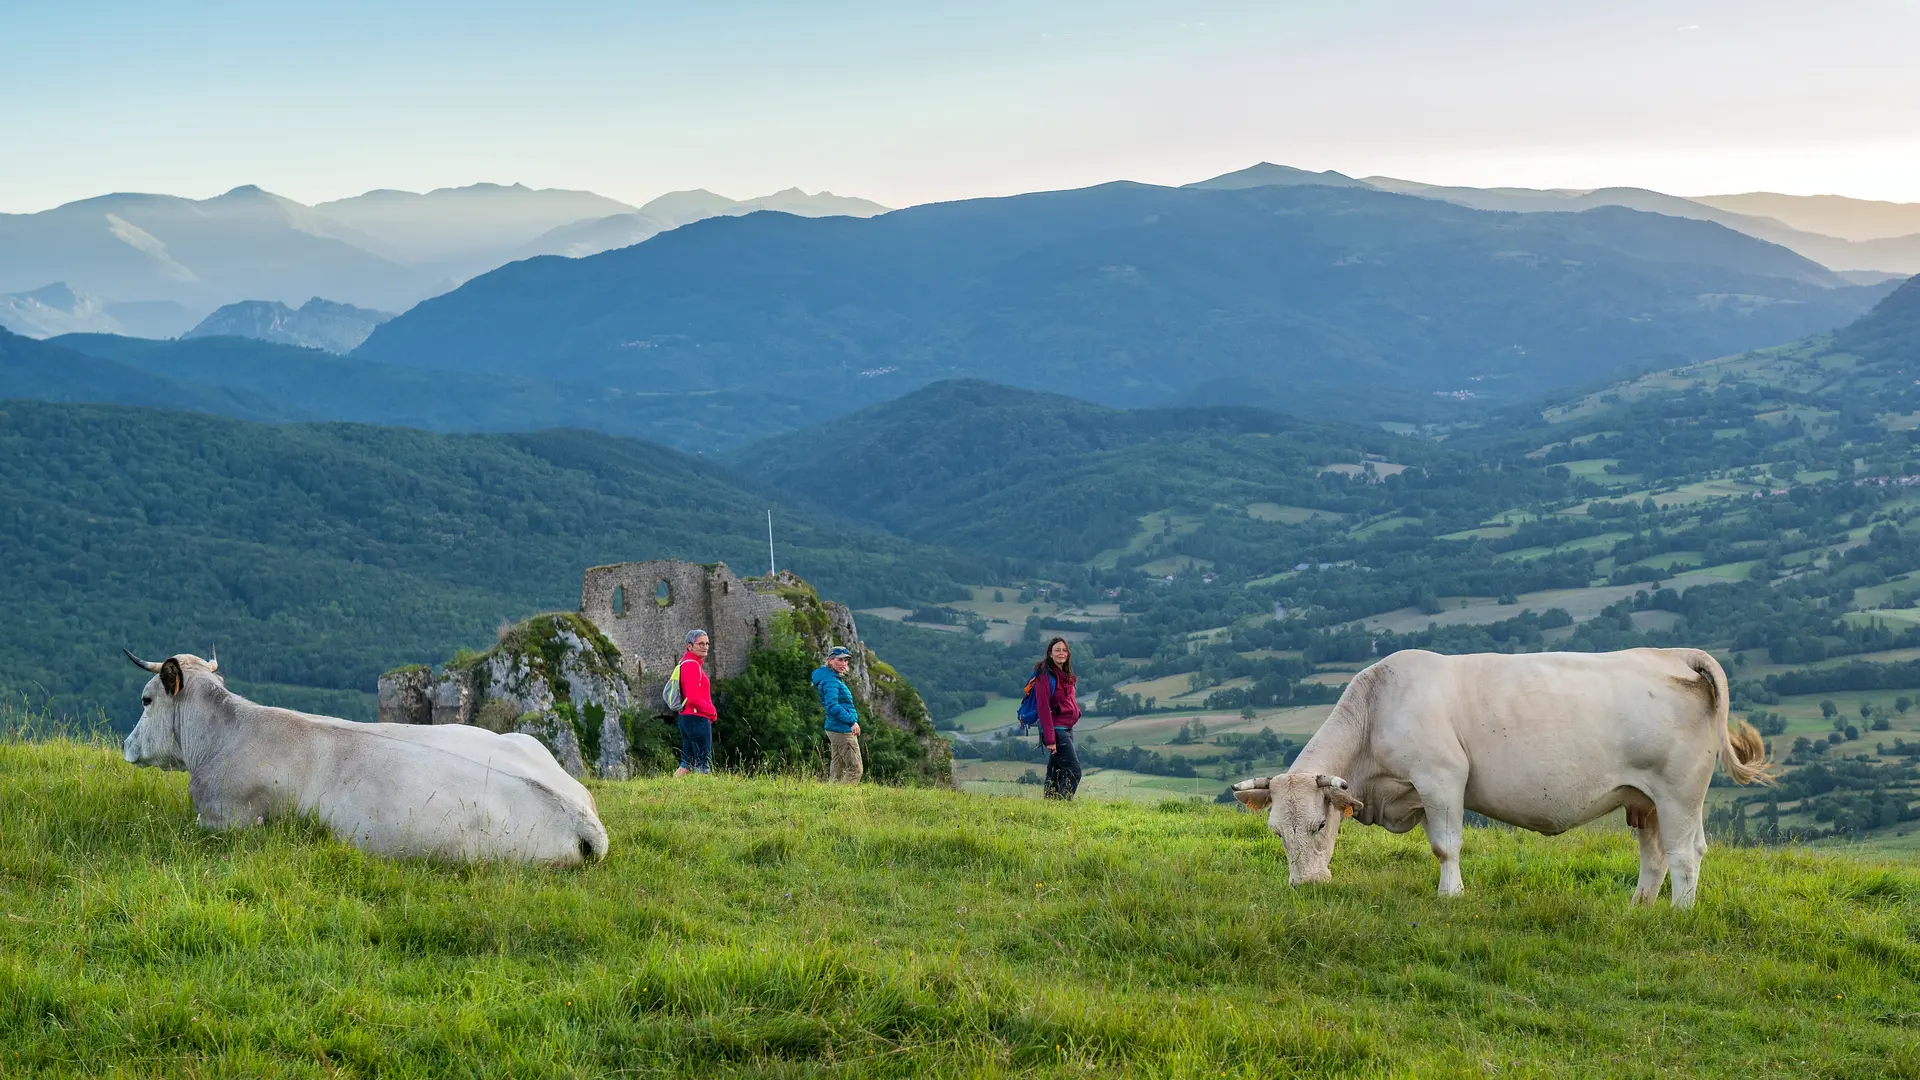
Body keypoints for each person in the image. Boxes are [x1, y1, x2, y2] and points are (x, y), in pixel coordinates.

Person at [1034, 636, 1082, 799]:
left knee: (1056, 772)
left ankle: (1050, 806)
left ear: (1068, 654)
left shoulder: (1065, 674)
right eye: (1057, 650)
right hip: (1056, 731)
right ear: (1050, 654)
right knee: (1074, 771)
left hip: (1067, 728)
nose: (1061, 653)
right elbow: (1043, 709)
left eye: (1064, 650)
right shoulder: (1045, 676)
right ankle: (1063, 805)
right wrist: (1050, 739)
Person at [812, 645, 862, 783]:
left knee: (838, 769)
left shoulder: (832, 678)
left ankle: (831, 798)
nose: (843, 664)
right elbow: (832, 706)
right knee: (855, 769)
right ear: (830, 660)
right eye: (839, 660)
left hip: (835, 728)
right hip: (842, 729)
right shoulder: (830, 680)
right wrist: (851, 722)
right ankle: (843, 801)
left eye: (846, 660)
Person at [674, 629, 716, 776]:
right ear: (689, 646)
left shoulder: (686, 662)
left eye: (707, 644)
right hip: (697, 719)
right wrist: (712, 711)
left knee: (687, 764)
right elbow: (693, 697)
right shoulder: (691, 665)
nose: (705, 647)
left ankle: (668, 790)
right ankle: (703, 796)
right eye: (700, 644)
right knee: (702, 765)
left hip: (687, 717)